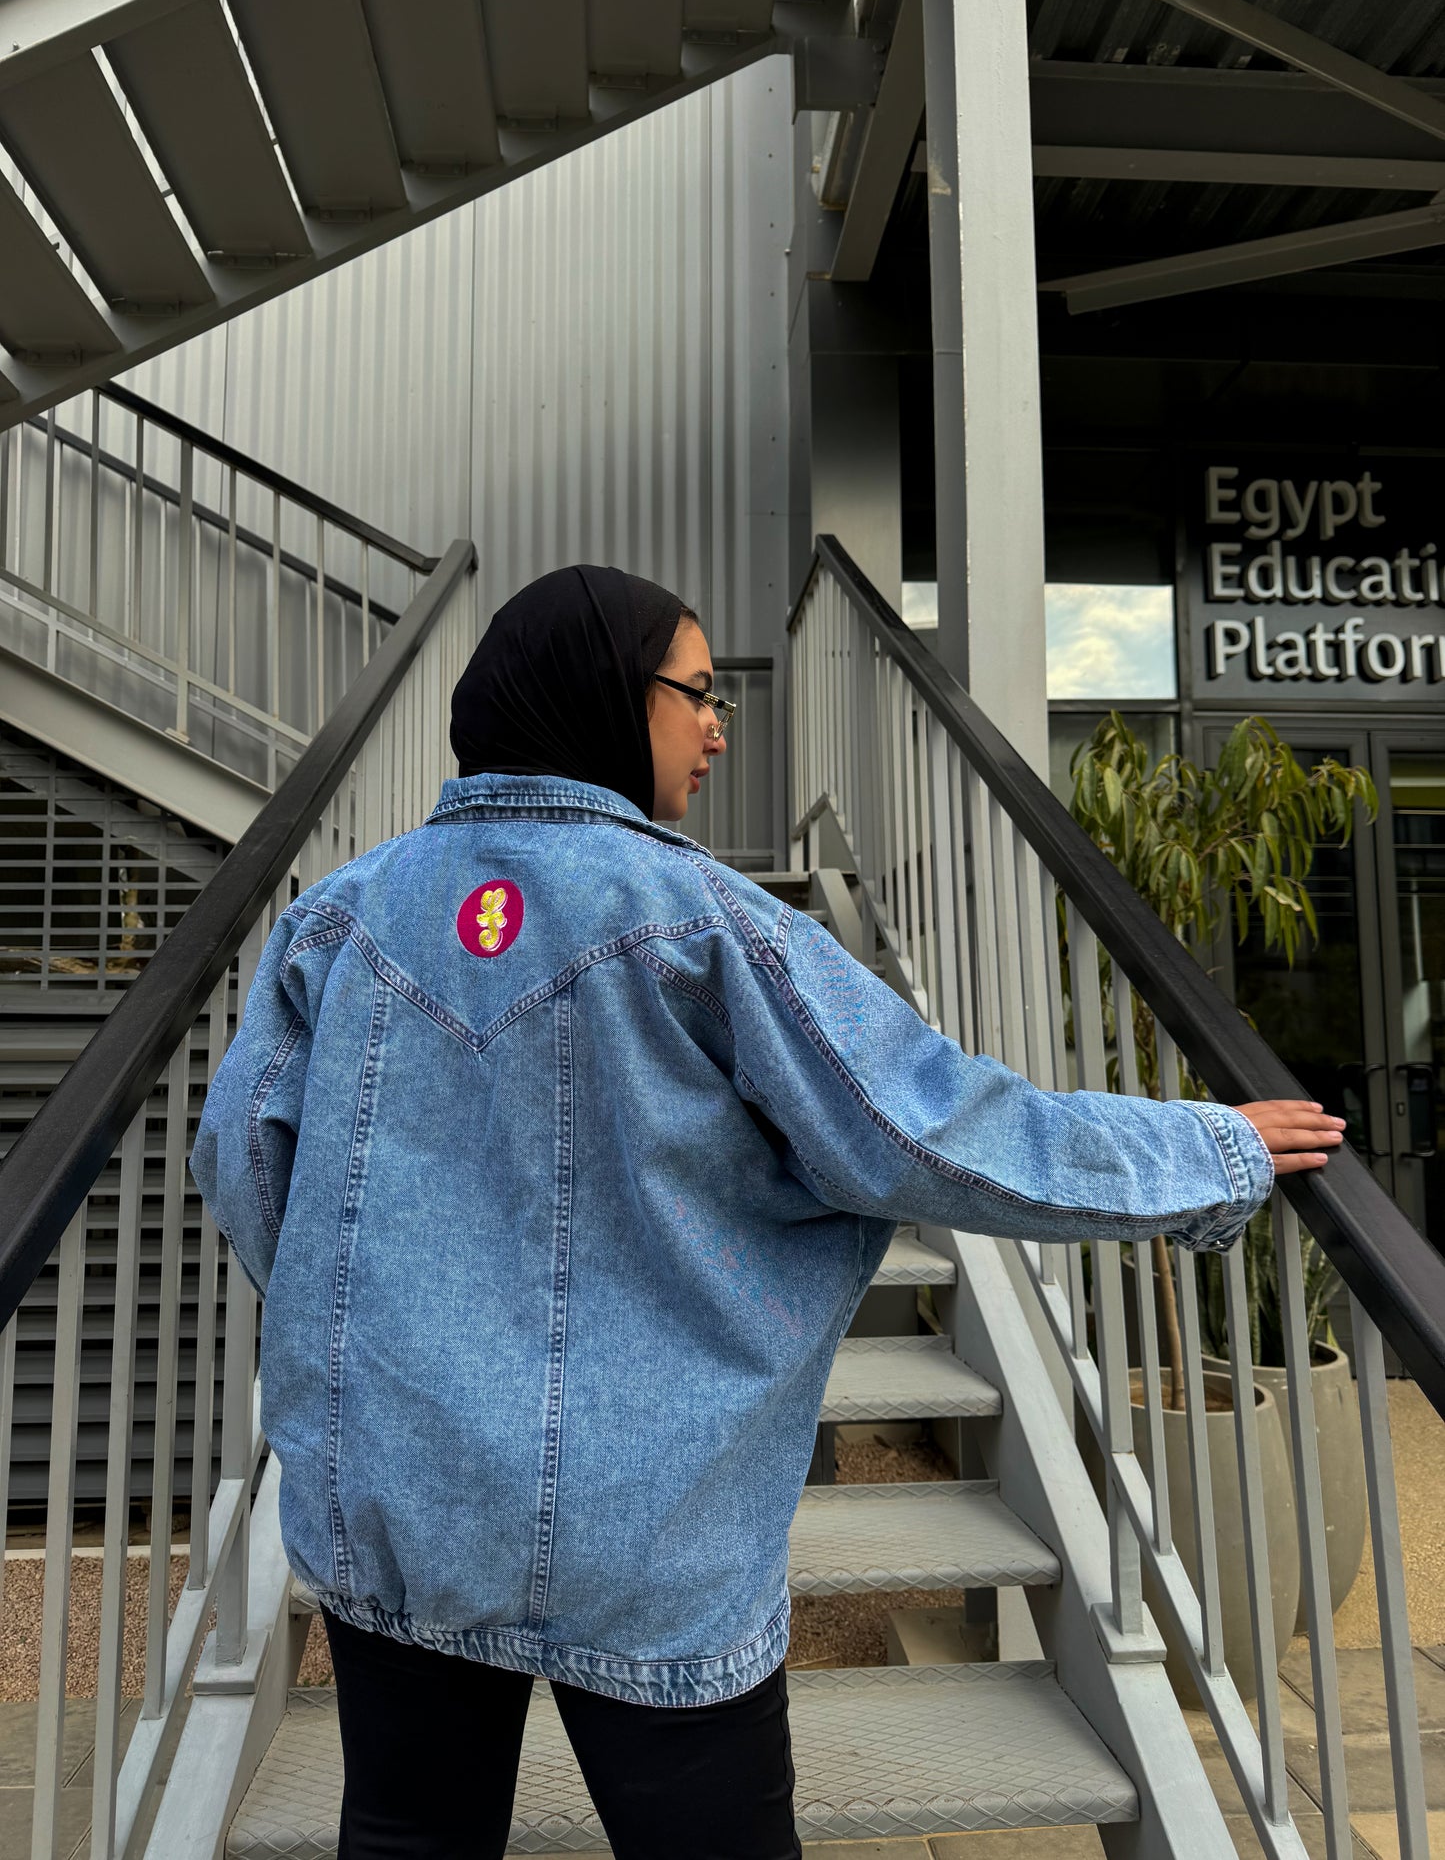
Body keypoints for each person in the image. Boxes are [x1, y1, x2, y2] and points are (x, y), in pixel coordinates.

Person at [191, 564, 1343, 1860]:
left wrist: (377, 1341)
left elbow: (243, 1165)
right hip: (648, 1523)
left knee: (406, 1832)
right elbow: (934, 1133)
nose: (718, 725)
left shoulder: (335, 921)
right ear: (602, 699)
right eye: (696, 690)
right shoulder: (714, 927)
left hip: (400, 1506)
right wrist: (1203, 1150)